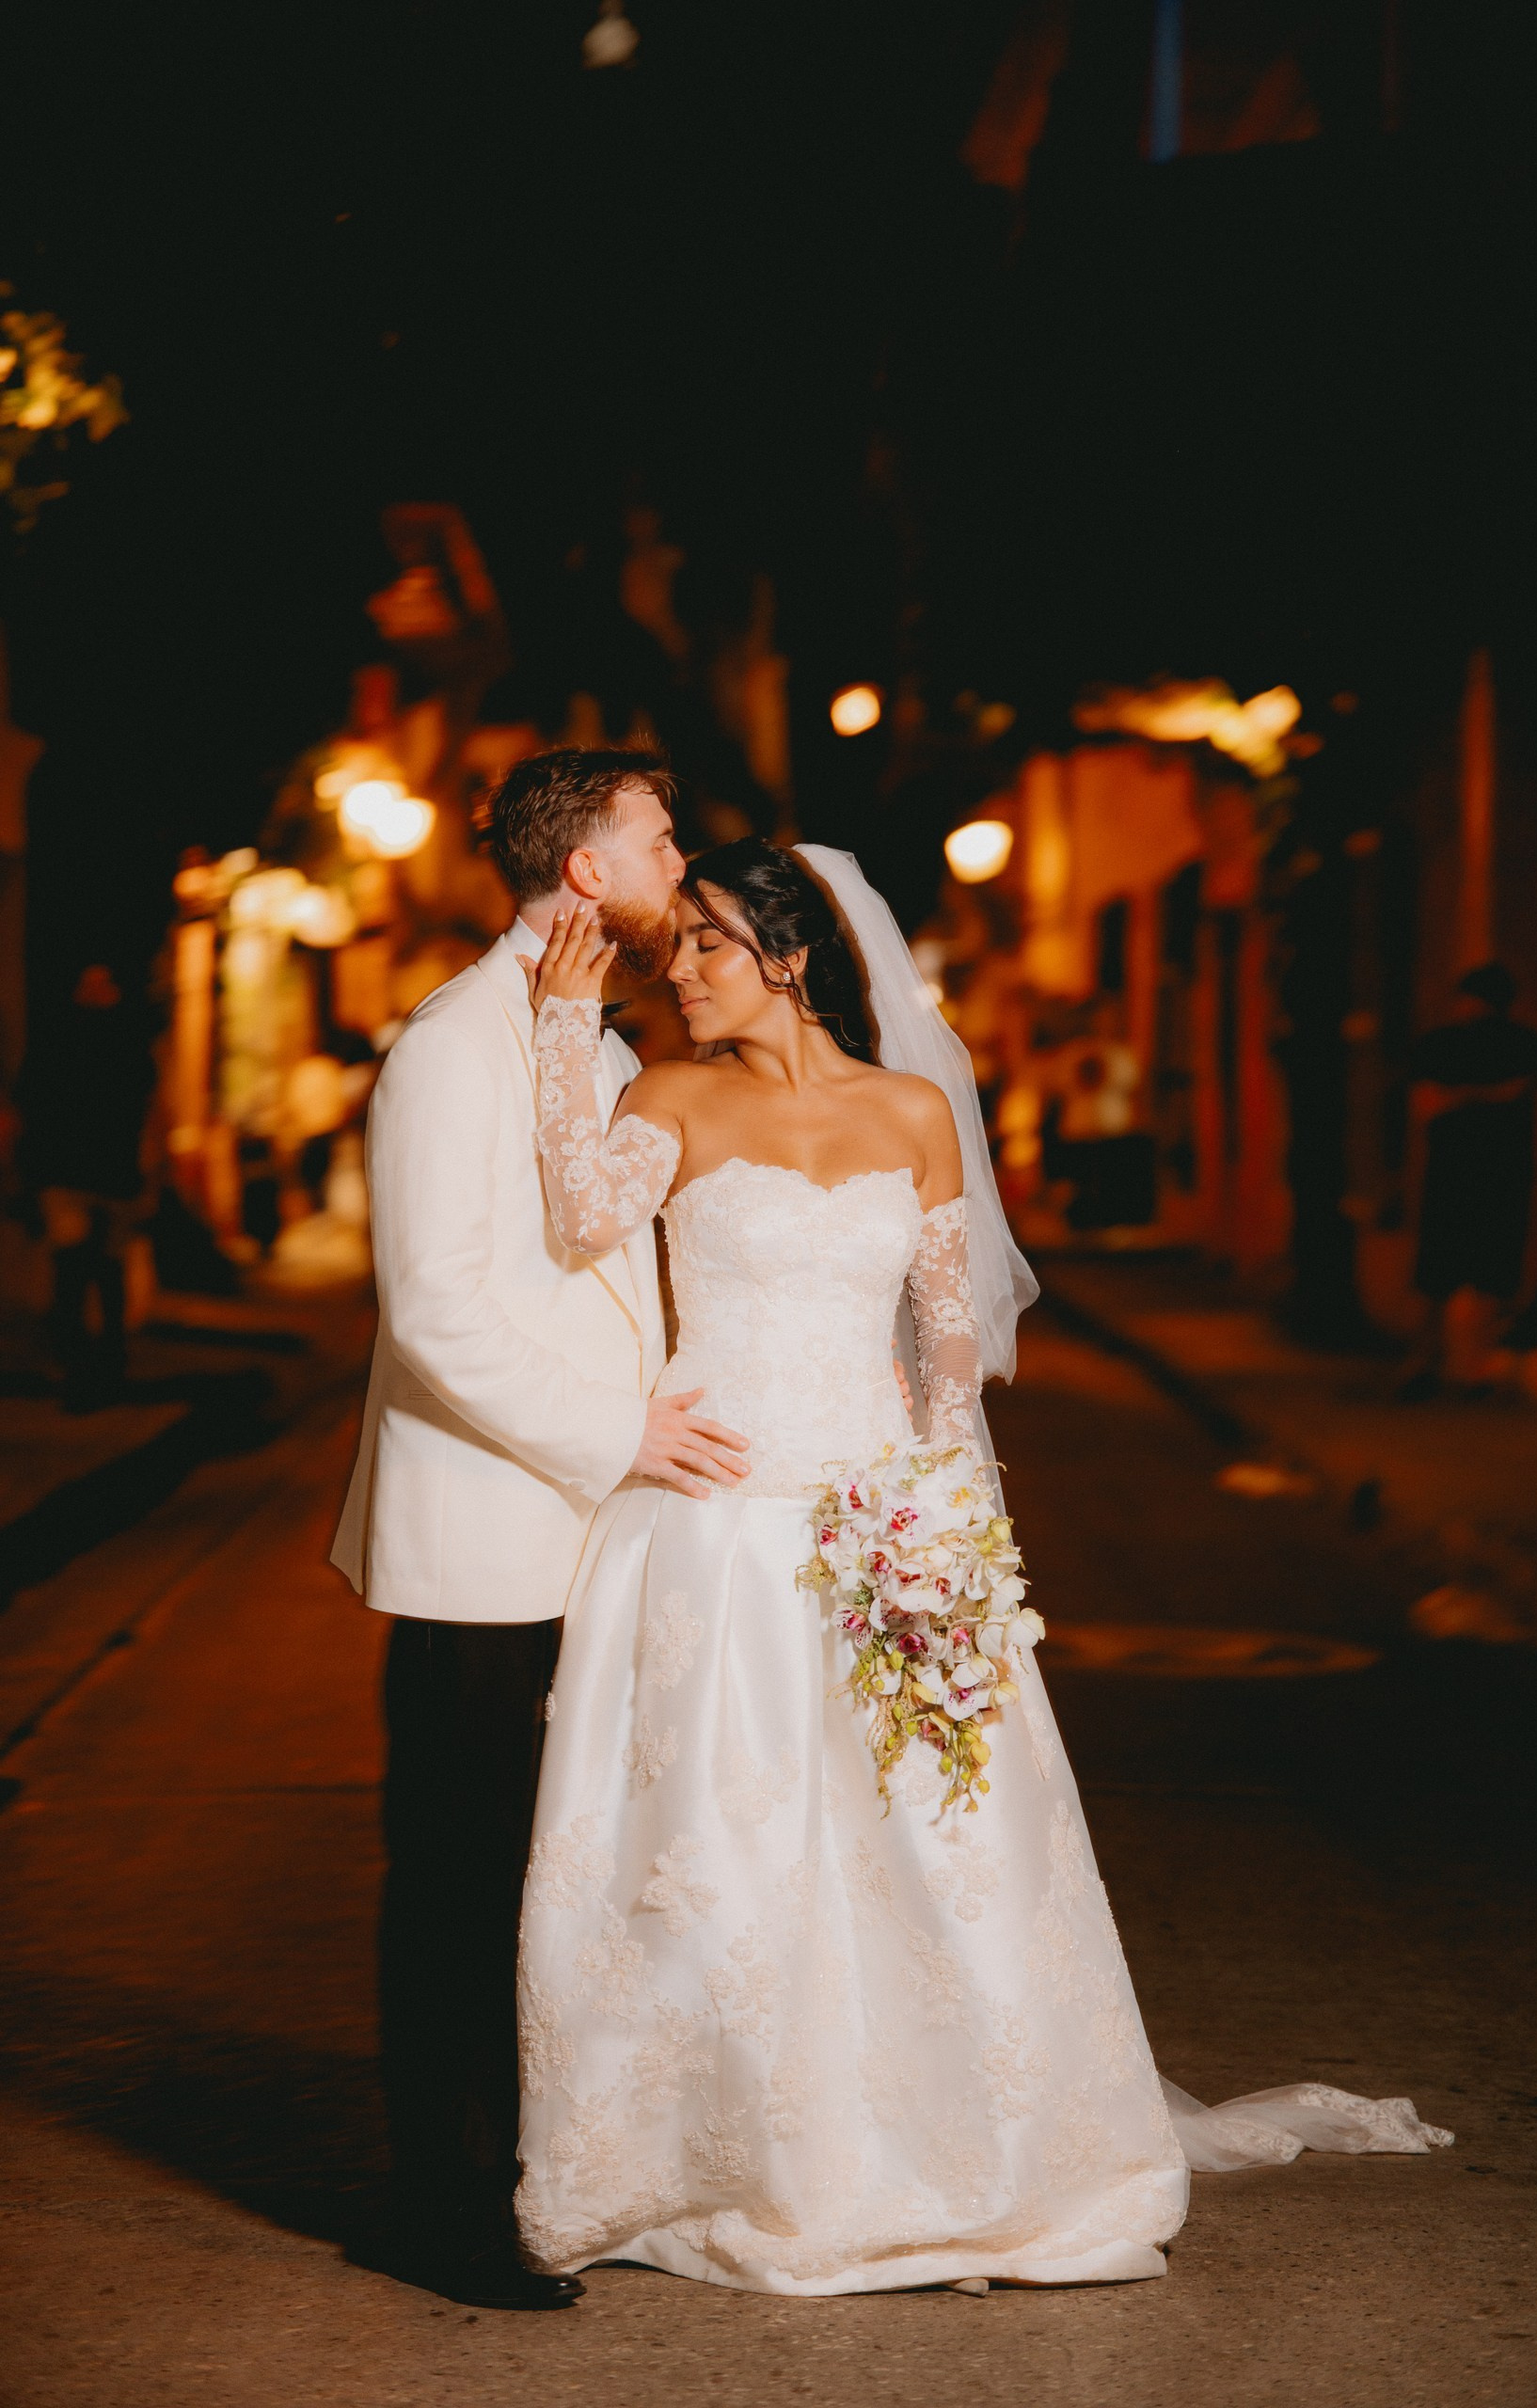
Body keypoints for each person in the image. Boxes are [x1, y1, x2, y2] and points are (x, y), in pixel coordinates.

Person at [512, 838, 1450, 2298]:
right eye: (675, 948)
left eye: (704, 946)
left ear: (792, 954)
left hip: (886, 1520)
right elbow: (579, 1219)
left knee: (933, 1848)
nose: (678, 973)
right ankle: (735, 2150)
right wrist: (568, 1028)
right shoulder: (668, 1096)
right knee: (727, 1854)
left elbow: (945, 1339)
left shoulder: (910, 1112)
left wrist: (950, 1523)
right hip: (718, 1531)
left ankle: (966, 2148)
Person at [330, 749, 753, 2311]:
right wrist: (617, 1433)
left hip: (590, 1525)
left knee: (556, 1873)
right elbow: (436, 1307)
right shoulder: (452, 1044)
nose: (676, 858)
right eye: (657, 836)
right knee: (457, 1865)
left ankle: (538, 2165)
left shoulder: (586, 1032)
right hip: (486, 1532)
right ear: (583, 868)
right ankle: (432, 2204)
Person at [16, 960, 156, 1411]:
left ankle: (97, 1361)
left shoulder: (93, 1041)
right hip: (84, 1174)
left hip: (98, 1174)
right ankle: (90, 1363)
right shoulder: (116, 1042)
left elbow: (31, 1100)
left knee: (91, 1266)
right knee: (86, 1265)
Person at [1402, 961, 1537, 1396]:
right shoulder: (1521, 1043)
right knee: (1486, 1271)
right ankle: (1470, 1365)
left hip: (1457, 1166)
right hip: (1500, 1168)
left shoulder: (1442, 1045)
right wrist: (1485, 1096)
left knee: (1447, 1269)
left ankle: (1439, 1361)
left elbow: (1430, 1103)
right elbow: (1515, 1092)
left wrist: (1458, 1098)